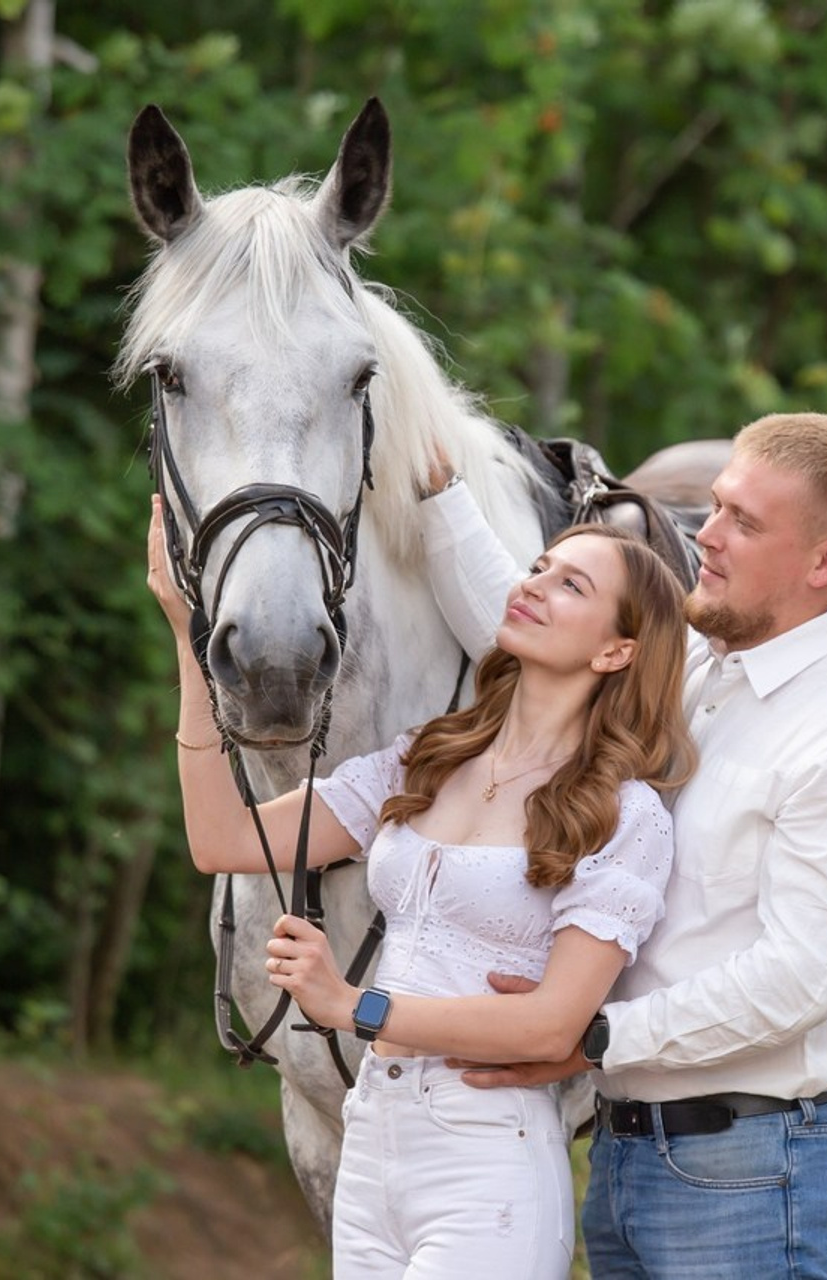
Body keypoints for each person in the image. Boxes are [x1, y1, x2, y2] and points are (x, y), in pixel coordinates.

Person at [417, 412, 827, 1279]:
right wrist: (436, 485)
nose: (708, 536)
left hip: (756, 1173)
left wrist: (589, 1035)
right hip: (627, 1156)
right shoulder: (694, 665)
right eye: (717, 506)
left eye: (744, 522)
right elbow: (532, 630)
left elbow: (796, 980)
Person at [146, 496, 696, 1280]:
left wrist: (354, 1006)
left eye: (571, 586)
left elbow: (552, 1027)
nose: (533, 585)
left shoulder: (623, 814)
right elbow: (223, 840)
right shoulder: (425, 760)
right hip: (372, 1140)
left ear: (617, 650)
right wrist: (189, 639)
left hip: (487, 1160)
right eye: (539, 567)